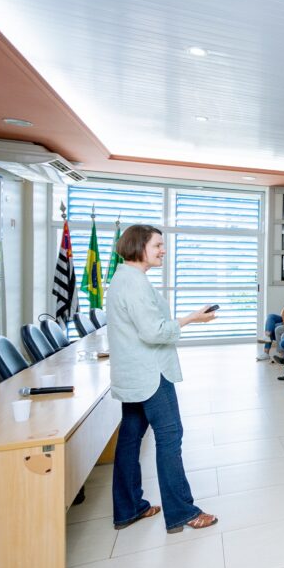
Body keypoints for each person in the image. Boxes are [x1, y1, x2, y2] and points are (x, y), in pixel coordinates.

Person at [106, 224, 218, 534]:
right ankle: (182, 512)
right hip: (150, 374)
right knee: (170, 437)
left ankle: (128, 507)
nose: (163, 251)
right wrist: (192, 318)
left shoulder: (122, 278)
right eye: (157, 245)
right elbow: (154, 332)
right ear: (139, 246)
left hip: (133, 374)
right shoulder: (136, 283)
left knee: (130, 440)